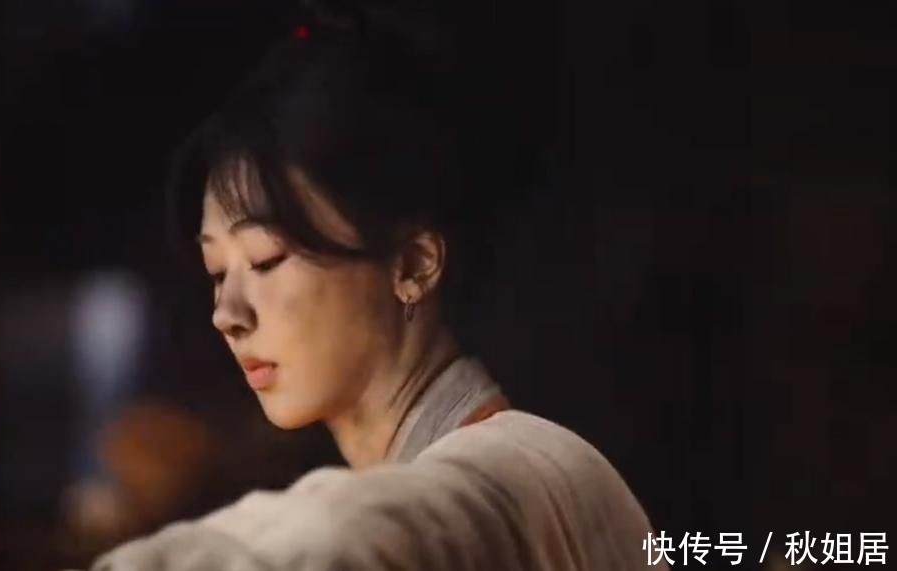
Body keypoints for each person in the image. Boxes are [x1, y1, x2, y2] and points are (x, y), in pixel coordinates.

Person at [91, 1, 661, 568]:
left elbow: (349, 533)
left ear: (413, 265)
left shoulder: (503, 476)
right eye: (218, 273)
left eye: (266, 260)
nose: (227, 313)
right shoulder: (514, 464)